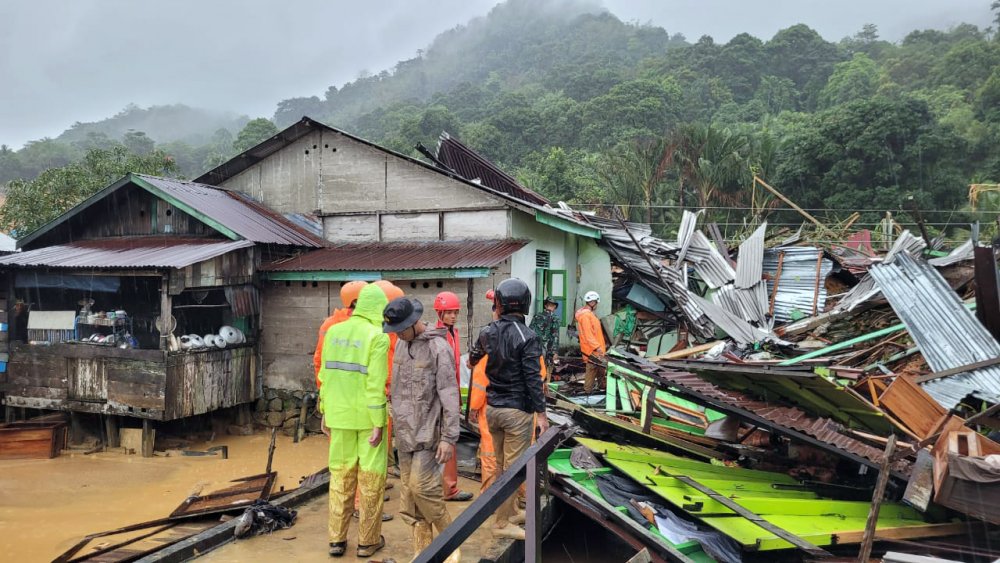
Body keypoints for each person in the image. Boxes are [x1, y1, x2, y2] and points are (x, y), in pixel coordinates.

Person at [468, 278, 549, 540]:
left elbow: (472, 360)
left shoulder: (487, 331)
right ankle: (501, 523)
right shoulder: (528, 336)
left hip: (493, 410)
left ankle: (511, 511)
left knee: (501, 465)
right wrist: (542, 414)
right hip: (517, 412)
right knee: (514, 470)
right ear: (525, 304)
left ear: (500, 304)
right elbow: (533, 379)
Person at [383, 297, 462, 561]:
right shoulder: (402, 346)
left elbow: (450, 395)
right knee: (410, 496)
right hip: (405, 433)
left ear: (414, 323)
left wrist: (449, 438)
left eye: (401, 329)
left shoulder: (438, 348)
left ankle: (452, 541)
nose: (397, 334)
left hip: (430, 433)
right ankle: (423, 548)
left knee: (422, 488)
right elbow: (396, 389)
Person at [318, 284, 389, 558]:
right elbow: (375, 385)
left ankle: (336, 541)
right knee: (370, 481)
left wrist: (325, 410)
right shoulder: (377, 337)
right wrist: (378, 422)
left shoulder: (334, 332)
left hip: (338, 416)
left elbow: (326, 375)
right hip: (365, 418)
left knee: (340, 477)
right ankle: (367, 542)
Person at [433, 291, 474, 502]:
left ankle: (449, 487)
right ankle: (445, 488)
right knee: (443, 441)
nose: (453, 316)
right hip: (440, 397)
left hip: (451, 395)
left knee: (450, 441)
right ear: (440, 313)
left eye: (455, 312)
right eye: (448, 313)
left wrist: (457, 398)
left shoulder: (454, 334)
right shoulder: (435, 336)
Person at [313, 280, 367, 388]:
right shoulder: (367, 325)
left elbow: (319, 358)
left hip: (333, 387)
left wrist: (322, 387)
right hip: (359, 389)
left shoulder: (329, 323)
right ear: (356, 301)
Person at [575, 291, 606, 394]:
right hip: (592, 351)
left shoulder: (589, 315)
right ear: (592, 302)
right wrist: (597, 347)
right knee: (591, 371)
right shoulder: (585, 316)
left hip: (596, 351)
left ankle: (603, 390)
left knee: (601, 370)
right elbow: (589, 335)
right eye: (596, 302)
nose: (597, 305)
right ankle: (587, 393)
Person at [529, 295, 560, 370]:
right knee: (546, 369)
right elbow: (555, 336)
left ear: (545, 306)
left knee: (535, 368)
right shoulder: (555, 318)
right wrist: (555, 352)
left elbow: (530, 331)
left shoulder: (536, 316)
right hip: (547, 349)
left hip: (534, 346)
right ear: (555, 307)